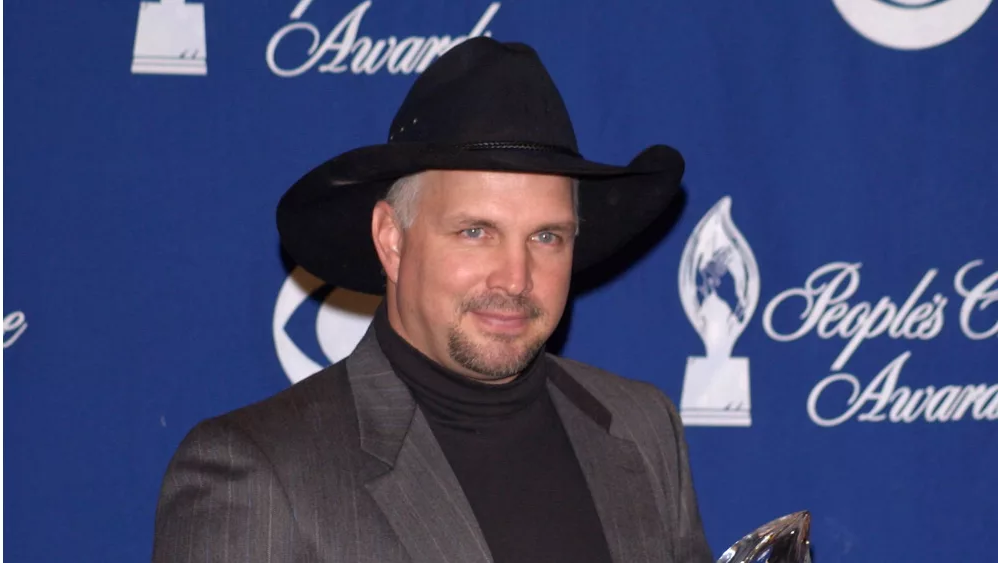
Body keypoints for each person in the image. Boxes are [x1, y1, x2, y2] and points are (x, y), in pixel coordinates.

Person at [151, 37, 713, 563]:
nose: (515, 278)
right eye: (476, 232)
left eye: (547, 237)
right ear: (392, 240)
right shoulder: (258, 470)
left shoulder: (642, 426)